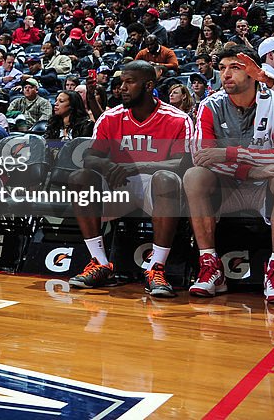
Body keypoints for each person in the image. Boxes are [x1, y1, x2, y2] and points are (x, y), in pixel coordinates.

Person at [67, 61, 191, 298]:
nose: (121, 88)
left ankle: (157, 268)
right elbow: (90, 156)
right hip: (119, 186)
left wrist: (137, 166)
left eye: (129, 82)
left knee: (165, 178)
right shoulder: (110, 117)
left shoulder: (177, 118)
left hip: (157, 190)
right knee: (80, 177)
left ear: (148, 86)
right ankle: (100, 263)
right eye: (121, 82)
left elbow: (183, 163)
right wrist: (107, 164)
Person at [185, 45, 274, 303]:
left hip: (267, 188)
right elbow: (201, 155)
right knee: (194, 175)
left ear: (253, 73)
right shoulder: (210, 105)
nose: (225, 74)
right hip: (228, 186)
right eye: (222, 68)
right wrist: (254, 167)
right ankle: (211, 267)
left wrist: (229, 153)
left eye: (235, 68)